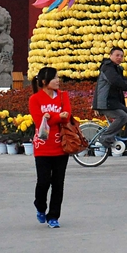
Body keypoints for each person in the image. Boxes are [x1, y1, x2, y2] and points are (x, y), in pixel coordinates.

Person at [29, 67, 71, 228]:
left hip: (61, 145)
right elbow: (38, 121)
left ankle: (53, 216)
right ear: (45, 81)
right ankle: (40, 206)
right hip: (43, 147)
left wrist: (51, 117)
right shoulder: (35, 99)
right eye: (55, 78)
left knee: (58, 183)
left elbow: (66, 115)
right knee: (43, 181)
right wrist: (56, 117)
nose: (58, 80)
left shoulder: (63, 96)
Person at [93, 48, 127, 147]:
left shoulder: (118, 68)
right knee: (123, 116)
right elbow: (115, 80)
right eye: (117, 55)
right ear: (110, 55)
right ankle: (105, 138)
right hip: (105, 102)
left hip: (114, 102)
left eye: (121, 56)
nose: (119, 57)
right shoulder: (107, 67)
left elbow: (123, 81)